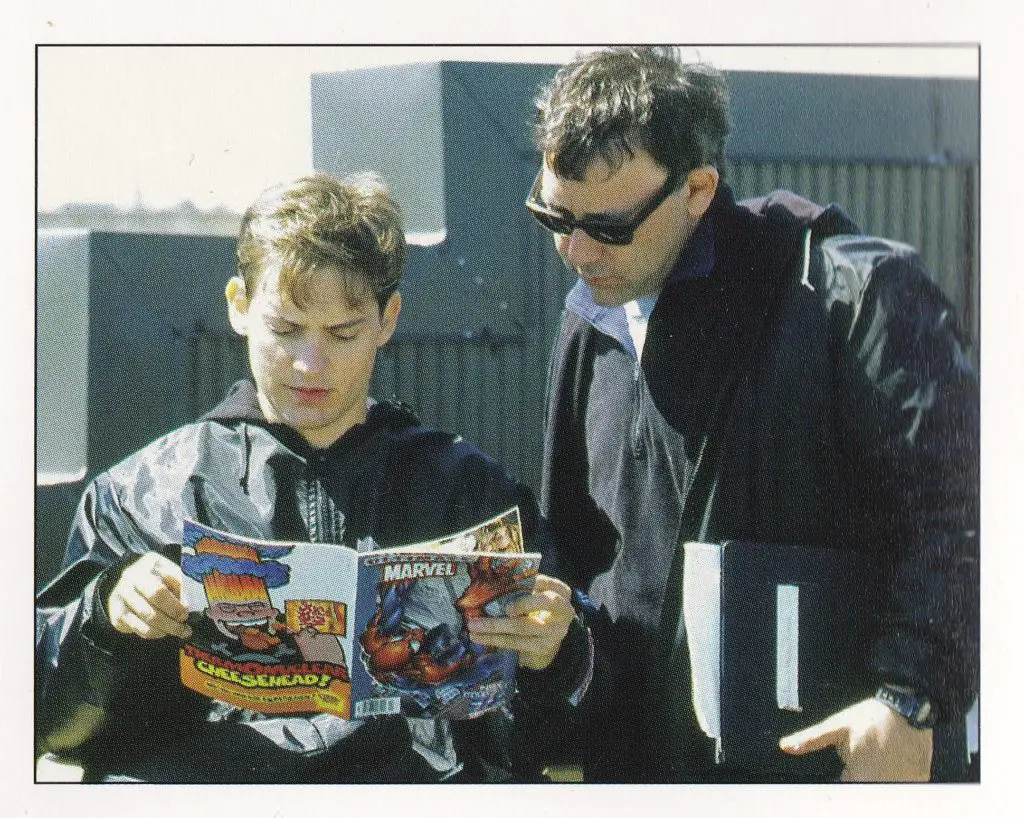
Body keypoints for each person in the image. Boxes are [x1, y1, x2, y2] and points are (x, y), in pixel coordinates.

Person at [526, 47, 979, 782]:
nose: (574, 251)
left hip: (832, 770)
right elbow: (575, 553)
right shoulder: (590, 321)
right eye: (553, 214)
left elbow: (965, 520)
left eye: (606, 227)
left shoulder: (857, 295)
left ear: (699, 189)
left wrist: (908, 700)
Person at [34, 172, 578, 783]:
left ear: (387, 320)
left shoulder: (472, 494)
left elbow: (558, 739)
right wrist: (104, 613)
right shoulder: (138, 495)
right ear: (239, 306)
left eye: (343, 335)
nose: (310, 364)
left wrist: (561, 652)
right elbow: (45, 720)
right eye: (286, 329)